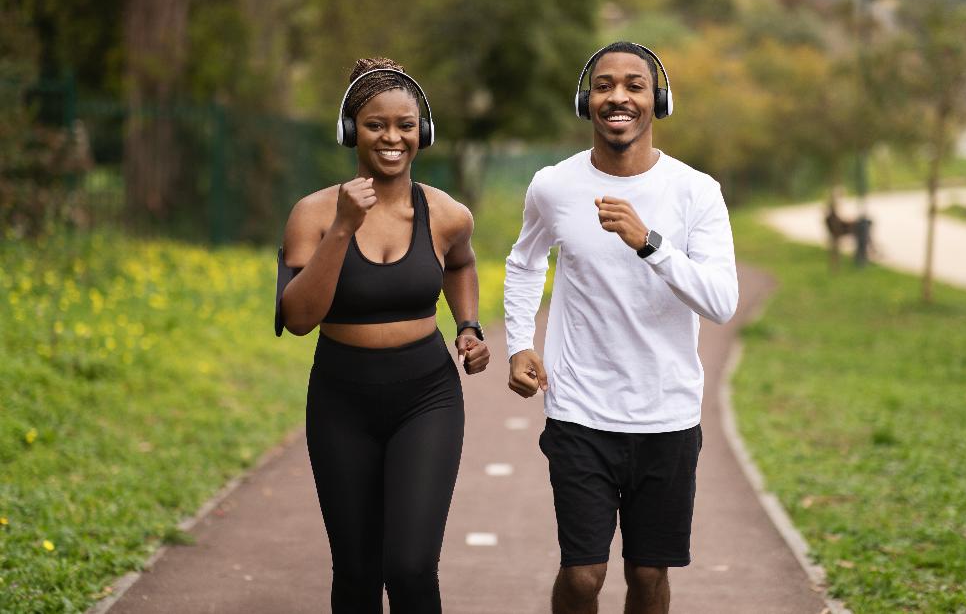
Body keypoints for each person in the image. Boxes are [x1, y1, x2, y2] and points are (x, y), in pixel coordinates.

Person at [504, 41, 738, 613]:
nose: (619, 97)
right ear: (586, 99)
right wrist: (518, 343)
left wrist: (650, 244)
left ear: (658, 100)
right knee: (583, 577)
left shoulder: (696, 192)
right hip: (579, 409)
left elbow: (721, 301)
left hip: (667, 413)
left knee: (648, 575)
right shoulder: (553, 186)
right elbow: (525, 260)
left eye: (635, 85)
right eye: (605, 84)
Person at [276, 57, 490, 612]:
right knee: (355, 572)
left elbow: (461, 265)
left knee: (412, 567)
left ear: (424, 132)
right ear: (351, 131)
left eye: (405, 125)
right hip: (340, 400)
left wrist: (467, 324)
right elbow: (298, 318)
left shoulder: (447, 214)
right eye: (375, 124)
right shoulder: (315, 213)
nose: (392, 137)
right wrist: (344, 227)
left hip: (427, 397)